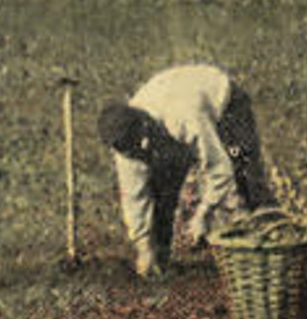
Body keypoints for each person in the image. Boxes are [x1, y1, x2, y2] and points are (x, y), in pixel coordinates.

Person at [97, 63, 275, 277]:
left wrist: (204, 213)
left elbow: (220, 169)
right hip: (174, 111)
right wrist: (143, 246)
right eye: (138, 149)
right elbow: (134, 197)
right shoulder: (124, 141)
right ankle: (158, 264)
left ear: (146, 123)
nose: (144, 148)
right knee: (163, 192)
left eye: (145, 141)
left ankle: (275, 246)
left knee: (245, 177)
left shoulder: (184, 117)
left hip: (224, 103)